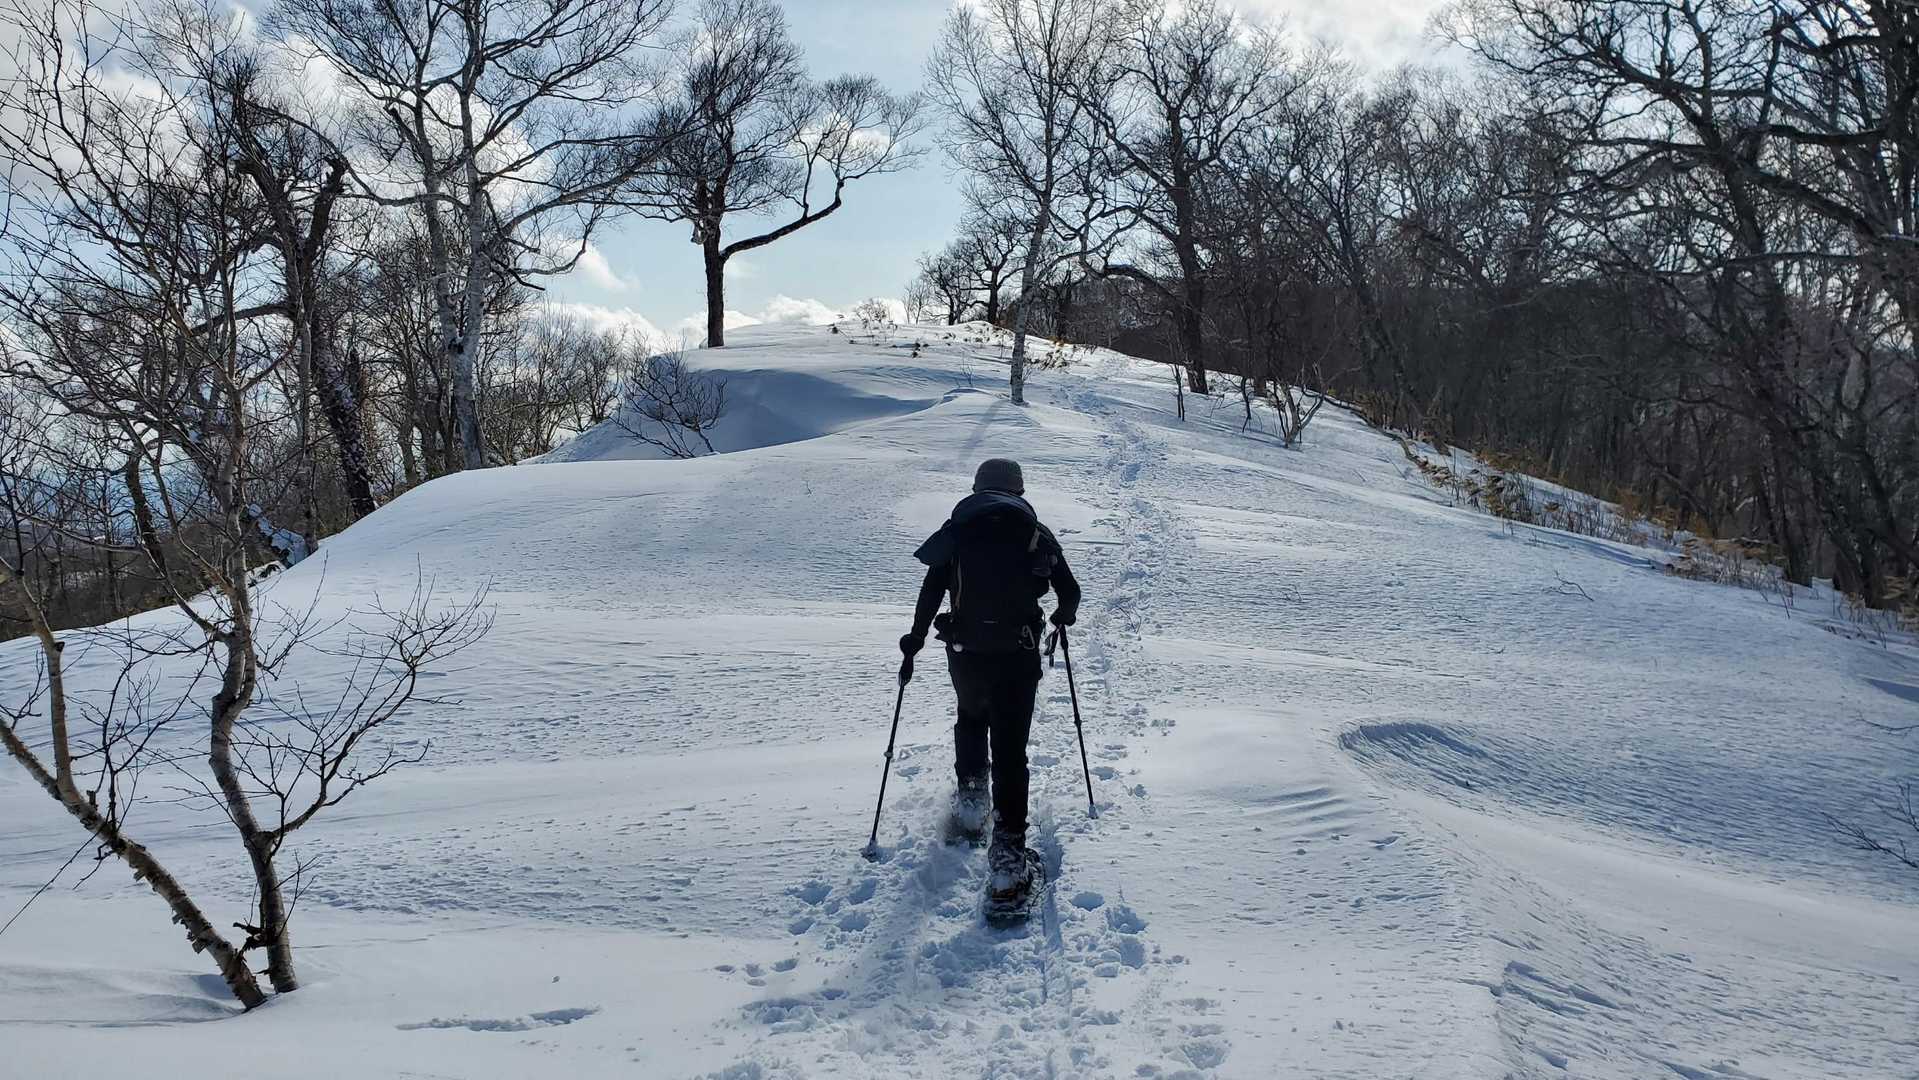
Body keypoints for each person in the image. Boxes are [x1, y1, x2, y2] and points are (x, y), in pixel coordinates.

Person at [900, 457, 1081, 901]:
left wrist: (916, 638)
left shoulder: (959, 529)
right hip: (1018, 653)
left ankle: (971, 803)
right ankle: (1007, 858)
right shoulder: (1034, 532)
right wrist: (1062, 617)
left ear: (977, 488)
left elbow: (932, 588)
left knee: (970, 717)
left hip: (966, 652)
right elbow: (1070, 592)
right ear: (1019, 490)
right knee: (1010, 747)